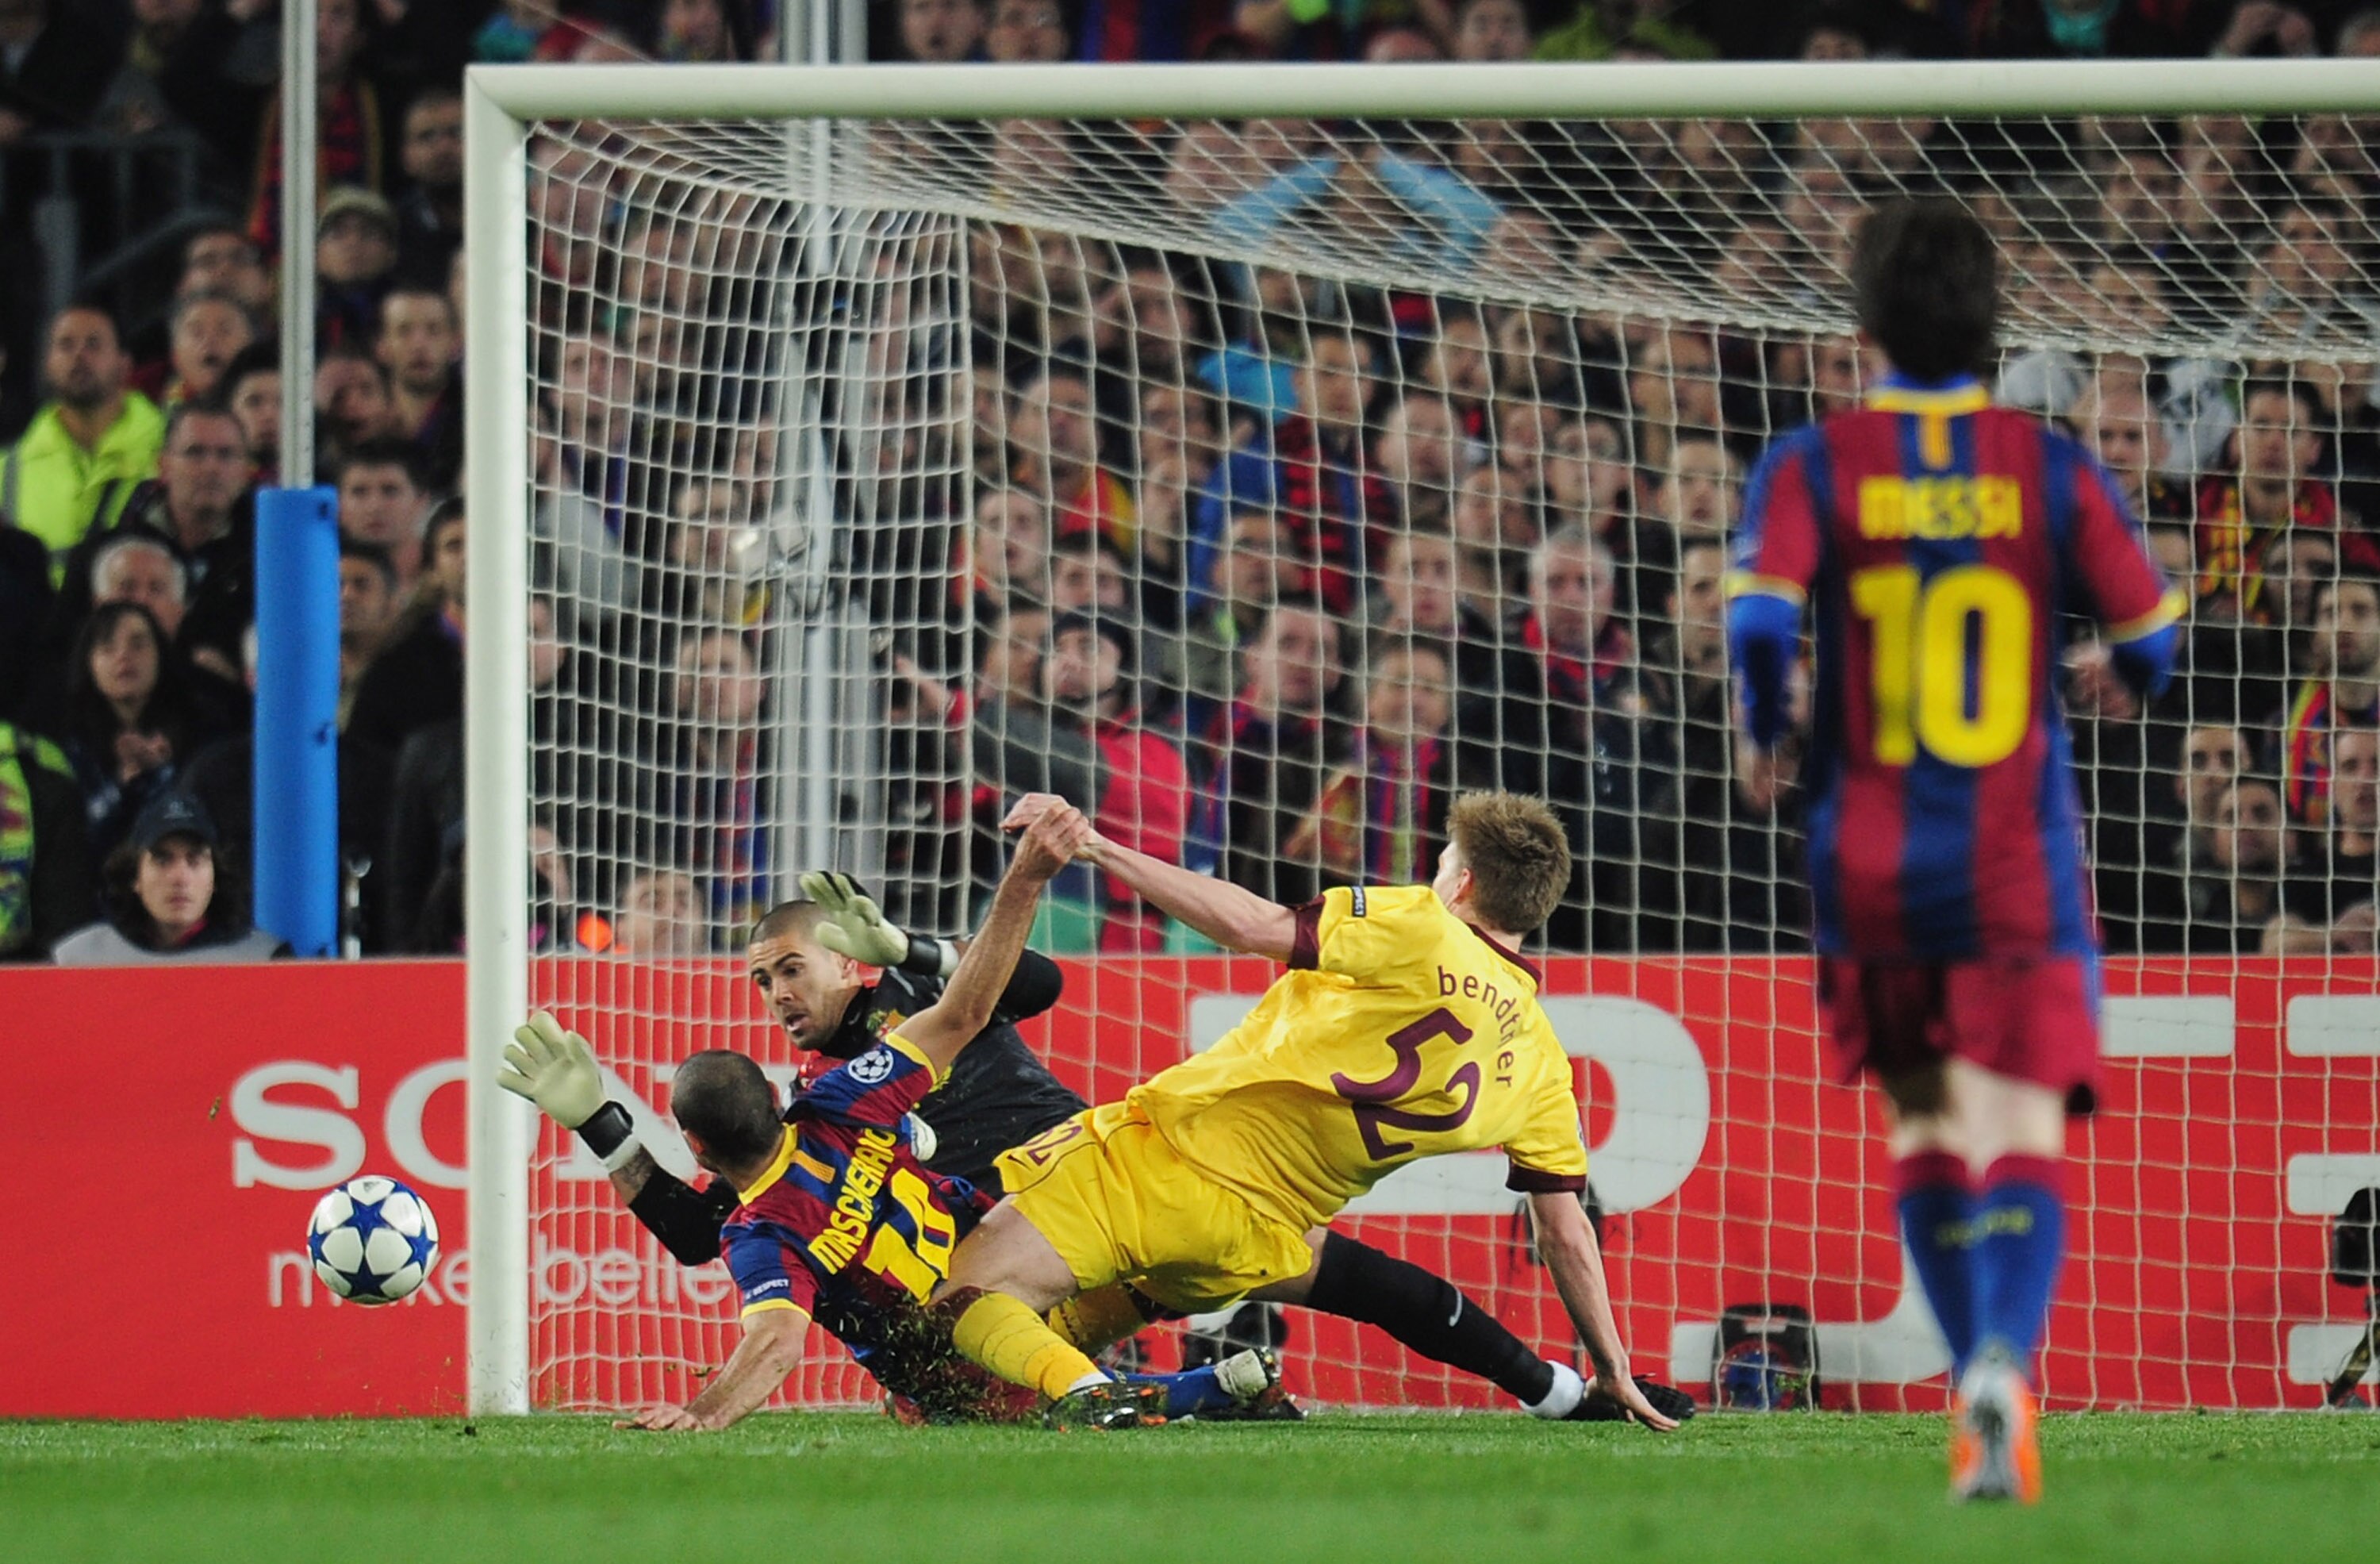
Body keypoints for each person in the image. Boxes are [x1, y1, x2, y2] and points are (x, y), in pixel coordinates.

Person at [1726, 198, 2182, 1502]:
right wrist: (2112, 674)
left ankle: (1963, 1376)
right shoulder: (2046, 465)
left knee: (1923, 1110)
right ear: (1996, 329)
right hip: (2011, 856)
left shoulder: (1814, 460)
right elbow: (2155, 641)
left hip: (1866, 852)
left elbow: (1761, 625)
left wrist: (1768, 728)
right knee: (2022, 1116)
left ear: (1862, 329)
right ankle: (2001, 1362)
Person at [502, 806, 1284, 1430]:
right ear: (778, 1097)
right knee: (1117, 1284)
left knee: (966, 1391)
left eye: (790, 969)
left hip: (959, 1347)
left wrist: (702, 1413)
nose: (777, 993)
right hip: (1048, 1258)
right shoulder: (843, 1102)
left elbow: (773, 1337)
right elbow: (970, 1006)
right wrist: (1024, 877)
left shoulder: (764, 1230)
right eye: (763, 979)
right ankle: (1218, 1343)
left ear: (699, 1151)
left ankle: (1180, 1388)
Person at [929, 788, 1683, 1432]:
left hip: (1167, 1167)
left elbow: (1253, 927)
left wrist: (1095, 845)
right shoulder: (1545, 1063)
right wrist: (1612, 1366)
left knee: (955, 1307)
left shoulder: (1424, 926)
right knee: (969, 1390)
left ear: (1461, 886)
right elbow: (1565, 1230)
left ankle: (1096, 1394)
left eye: (1444, 862)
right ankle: (1190, 1391)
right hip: (1250, 1245)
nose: (1435, 876)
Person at [52, 791, 284, 964]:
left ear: (216, 878)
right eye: (163, 861)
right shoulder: (79, 959)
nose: (180, 878)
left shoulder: (263, 959)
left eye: (194, 861)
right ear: (135, 877)